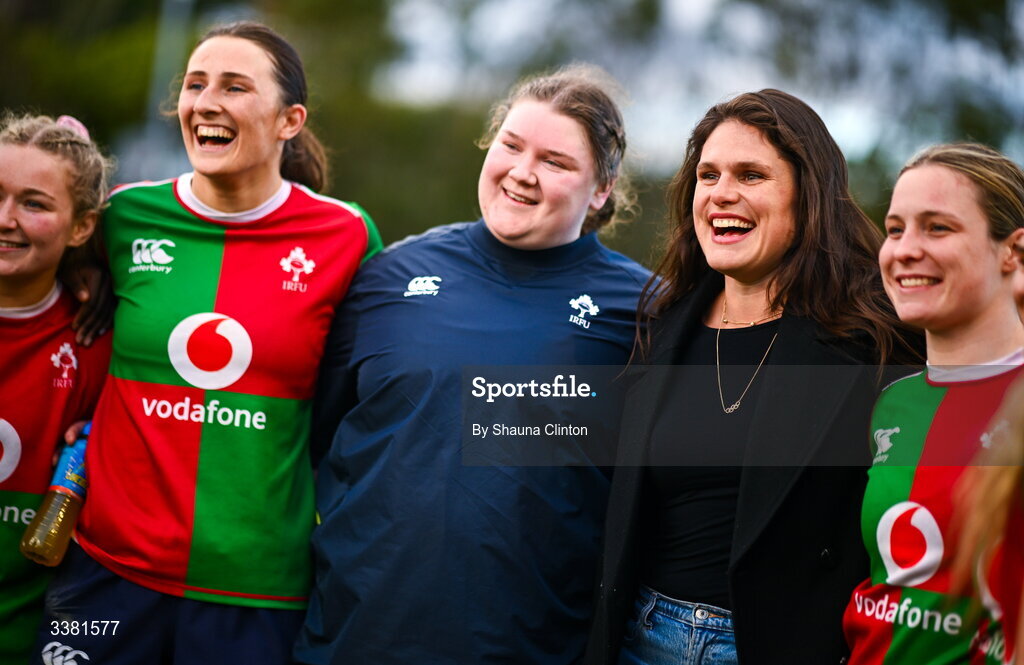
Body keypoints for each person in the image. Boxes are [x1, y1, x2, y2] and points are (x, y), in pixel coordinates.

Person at [33, 22, 381, 664]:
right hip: (106, 575)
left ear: (289, 120)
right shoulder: (123, 218)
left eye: (235, 86)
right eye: (195, 84)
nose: (205, 101)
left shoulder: (346, 236)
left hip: (254, 594)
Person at [295, 65, 651, 665]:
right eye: (511, 145)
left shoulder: (644, 312)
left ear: (601, 189)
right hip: (353, 639)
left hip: (532, 649)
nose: (522, 172)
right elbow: (316, 438)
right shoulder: (388, 276)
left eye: (556, 162)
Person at [585, 89, 922, 665]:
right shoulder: (663, 325)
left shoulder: (877, 334)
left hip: (784, 645)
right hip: (642, 638)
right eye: (708, 175)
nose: (722, 194)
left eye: (751, 175)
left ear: (807, 195)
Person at [842, 143, 1024, 665]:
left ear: (1012, 251)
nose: (904, 249)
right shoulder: (889, 402)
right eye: (896, 229)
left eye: (937, 228)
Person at [0, 113, 112, 665]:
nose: (5, 220)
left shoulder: (101, 343)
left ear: (83, 228)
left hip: (36, 642)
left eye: (34, 204)